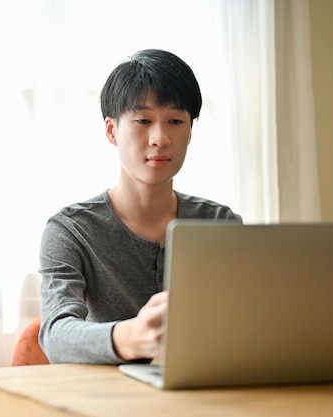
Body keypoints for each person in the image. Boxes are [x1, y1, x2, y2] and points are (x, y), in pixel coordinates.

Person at [38, 49, 242, 365]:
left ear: (190, 132)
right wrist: (131, 337)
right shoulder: (71, 229)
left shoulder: (219, 222)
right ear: (111, 131)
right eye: (143, 121)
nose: (160, 138)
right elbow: (55, 334)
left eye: (175, 121)